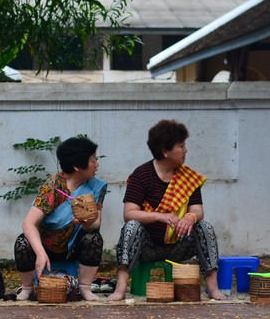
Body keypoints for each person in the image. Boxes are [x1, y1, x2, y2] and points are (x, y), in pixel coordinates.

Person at [106, 119, 227, 302]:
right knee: (131, 226)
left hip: (178, 246)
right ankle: (121, 287)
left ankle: (212, 287)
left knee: (205, 227)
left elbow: (198, 210)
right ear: (165, 151)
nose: (185, 150)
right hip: (147, 247)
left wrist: (190, 217)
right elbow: (129, 213)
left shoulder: (188, 178)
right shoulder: (142, 175)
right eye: (181, 146)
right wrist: (160, 217)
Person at [12, 137, 107, 302]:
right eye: (92, 160)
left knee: (94, 238)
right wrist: (41, 253)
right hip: (46, 247)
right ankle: (27, 288)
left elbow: (97, 222)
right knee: (23, 243)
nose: (97, 164)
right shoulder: (54, 186)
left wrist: (87, 223)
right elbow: (28, 223)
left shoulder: (96, 187)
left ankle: (85, 288)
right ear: (77, 166)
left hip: (72, 247)